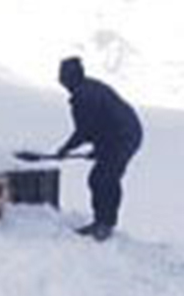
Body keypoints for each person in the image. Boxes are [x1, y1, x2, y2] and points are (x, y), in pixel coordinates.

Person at [55, 56, 143, 241]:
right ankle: (103, 222)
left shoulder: (84, 96)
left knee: (104, 178)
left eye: (63, 77)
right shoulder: (87, 89)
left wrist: (65, 149)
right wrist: (99, 149)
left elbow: (85, 130)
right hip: (119, 135)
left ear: (71, 78)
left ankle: (104, 225)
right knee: (101, 177)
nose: (61, 81)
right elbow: (99, 125)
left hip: (124, 136)